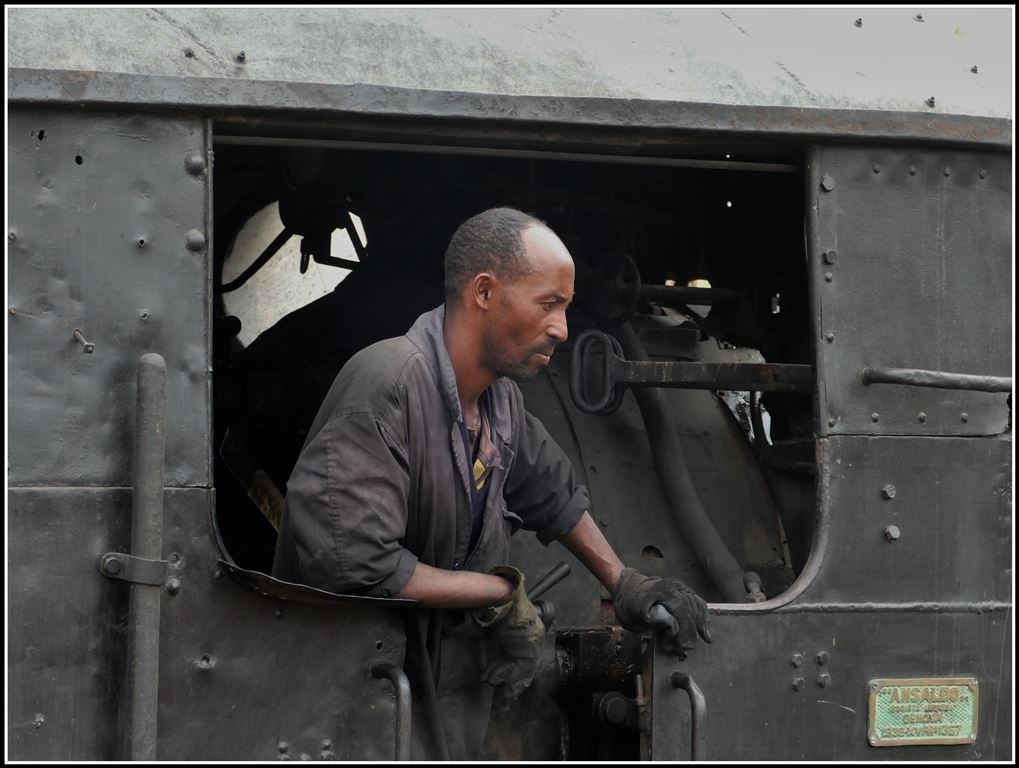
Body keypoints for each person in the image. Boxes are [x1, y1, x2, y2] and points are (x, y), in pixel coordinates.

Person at [272, 207, 711, 760]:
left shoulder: (499, 402)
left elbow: (554, 492)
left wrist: (625, 584)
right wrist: (499, 593)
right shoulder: (388, 385)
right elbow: (355, 563)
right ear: (484, 292)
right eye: (548, 303)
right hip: (352, 711)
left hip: (442, 710)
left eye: (567, 308)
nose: (562, 328)